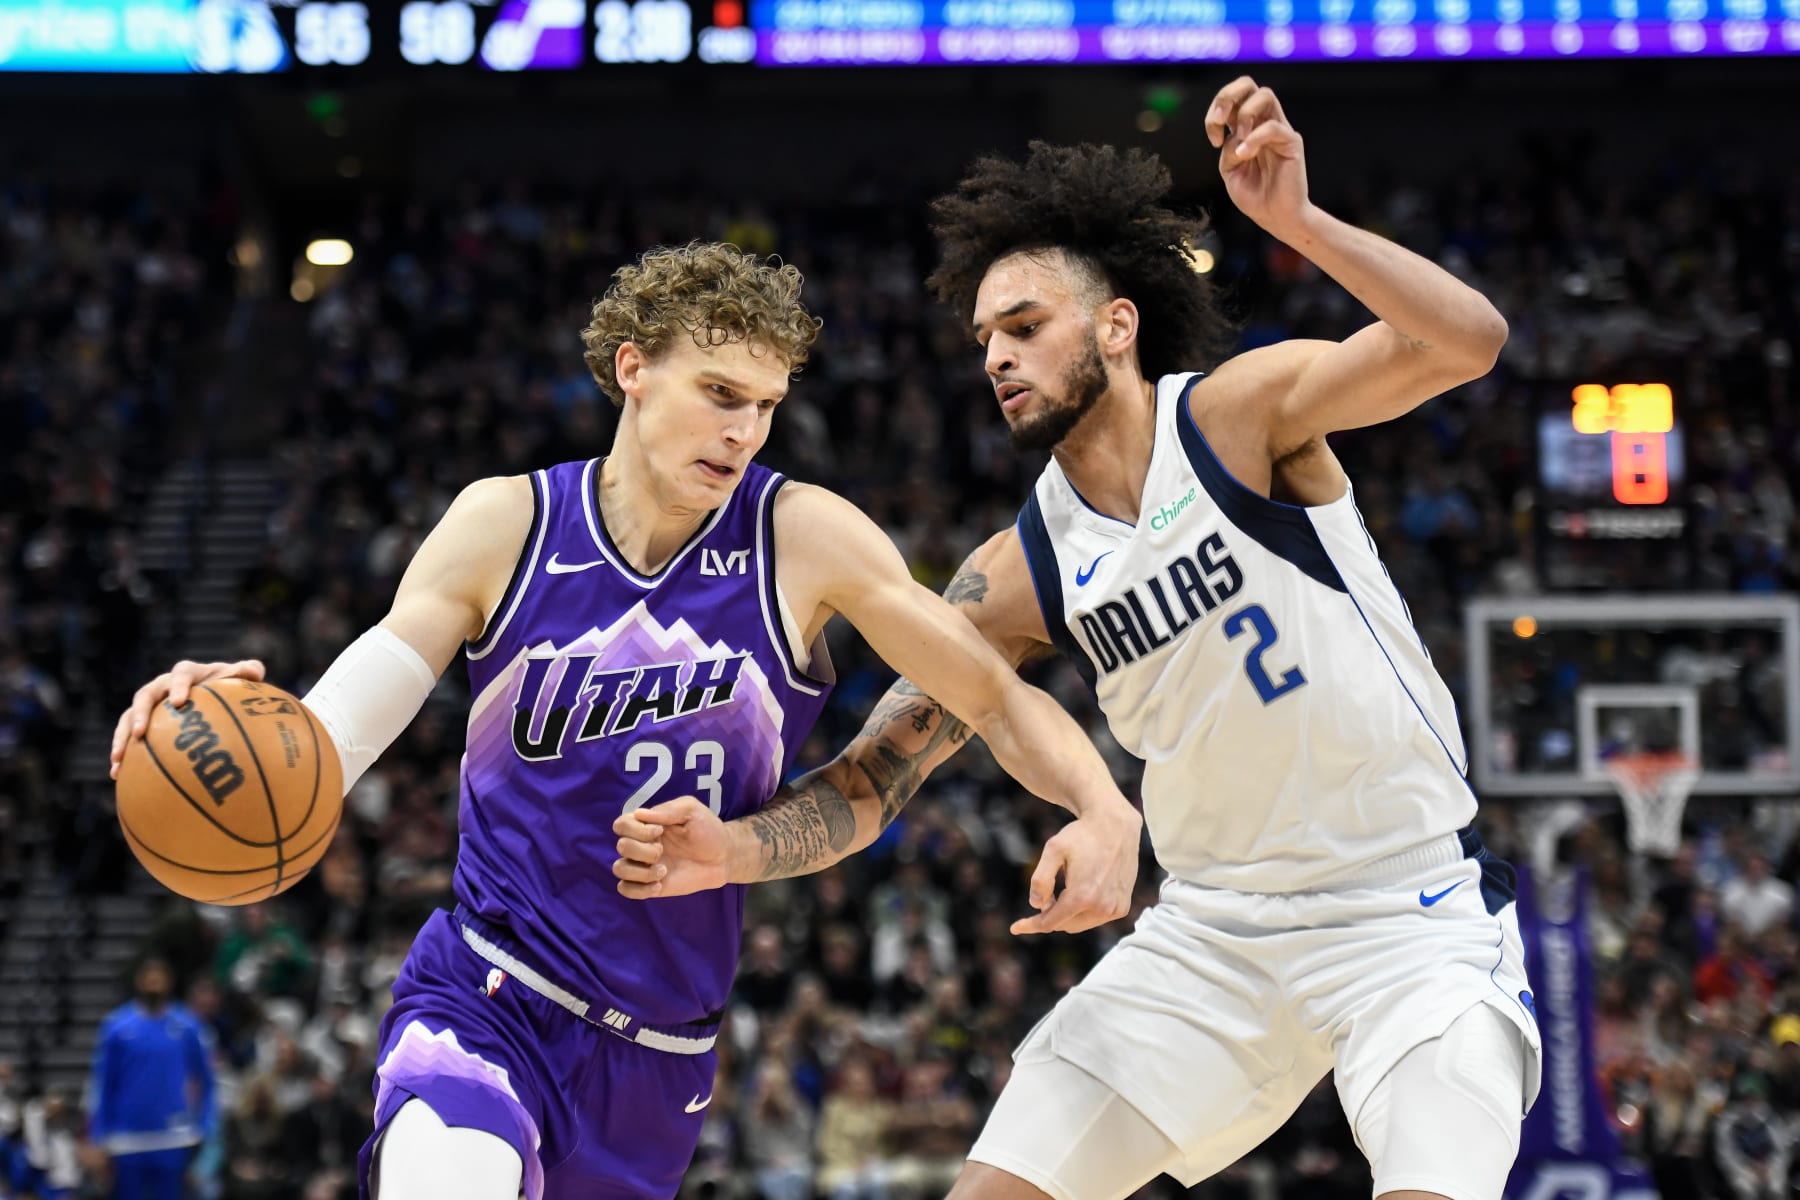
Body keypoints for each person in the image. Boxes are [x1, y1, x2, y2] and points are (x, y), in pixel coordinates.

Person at [616, 81, 1542, 1200]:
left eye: (1024, 327)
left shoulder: (1237, 419)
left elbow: (1466, 341)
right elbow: (873, 776)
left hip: (1410, 911)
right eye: (985, 340)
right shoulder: (1018, 573)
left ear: (1116, 326)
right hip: (1213, 934)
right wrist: (735, 850)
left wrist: (1299, 224)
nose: (996, 359)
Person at [109, 242, 1141, 1200]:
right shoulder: (505, 524)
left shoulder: (801, 540)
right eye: (720, 393)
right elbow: (337, 735)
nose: (744, 432)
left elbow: (991, 695)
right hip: (486, 997)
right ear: (633, 368)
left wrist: (1101, 804)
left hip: (659, 1061)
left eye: (766, 405)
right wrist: (238, 727)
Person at [89, 956, 216, 1200]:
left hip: (174, 1137)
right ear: (139, 981)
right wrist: (99, 1134)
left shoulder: (187, 1027)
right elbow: (104, 1084)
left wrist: (205, 1123)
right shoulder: (116, 1027)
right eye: (149, 978)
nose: (154, 984)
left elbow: (206, 1080)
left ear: (169, 982)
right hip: (127, 1139)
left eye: (159, 979)